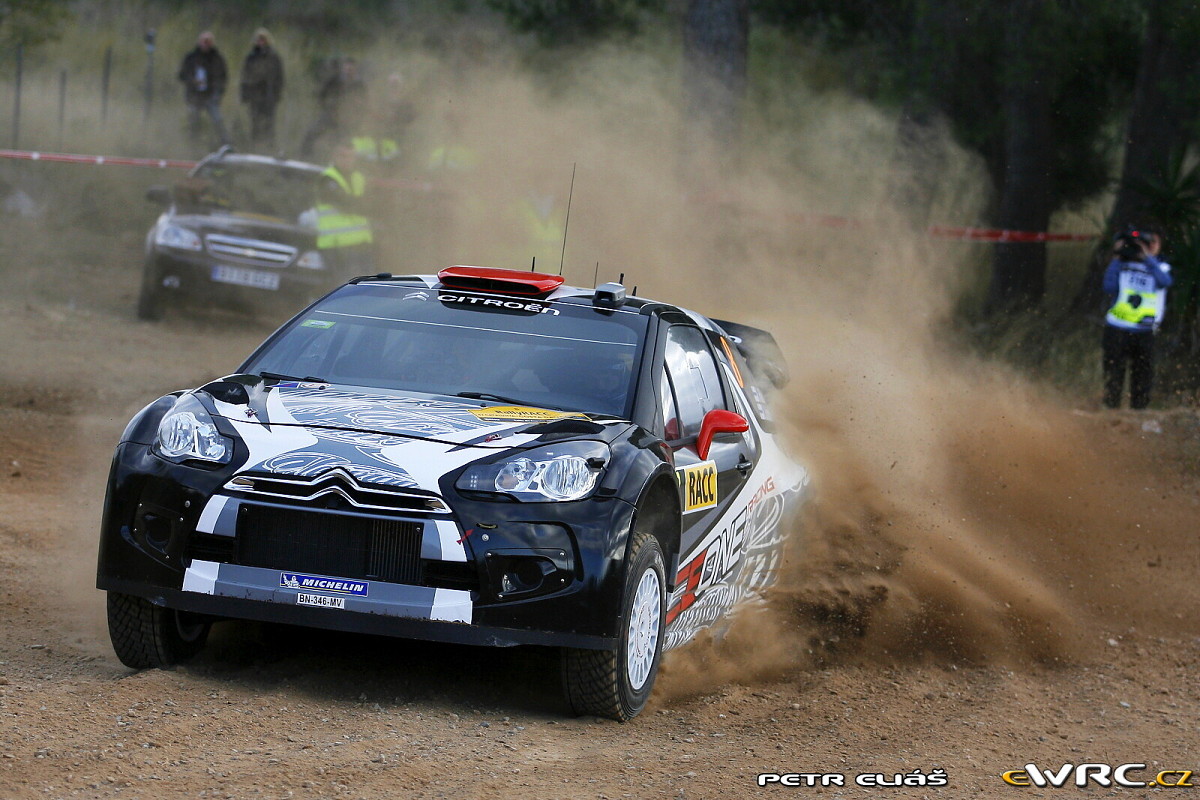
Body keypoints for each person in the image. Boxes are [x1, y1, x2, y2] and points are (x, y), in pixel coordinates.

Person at [1101, 225, 1173, 409]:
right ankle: (1111, 409)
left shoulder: (1162, 266)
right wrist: (1117, 255)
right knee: (1114, 373)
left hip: (1145, 330)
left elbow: (1165, 282)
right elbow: (1108, 286)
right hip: (1117, 327)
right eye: (1144, 242)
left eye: (1152, 242)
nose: (1148, 246)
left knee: (1142, 376)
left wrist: (1147, 259)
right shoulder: (1123, 264)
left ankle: (1138, 412)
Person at [313, 141, 375, 280]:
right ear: (334, 156)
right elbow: (345, 203)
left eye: (350, 156)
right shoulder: (327, 178)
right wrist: (365, 205)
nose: (347, 160)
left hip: (360, 244)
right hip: (336, 246)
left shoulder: (359, 177)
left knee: (366, 285)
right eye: (342, 156)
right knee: (343, 286)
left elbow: (372, 203)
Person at [300, 57, 367, 160]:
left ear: (355, 69)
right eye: (347, 67)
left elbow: (364, 103)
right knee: (312, 133)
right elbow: (321, 94)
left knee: (342, 142)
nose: (348, 70)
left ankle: (338, 161)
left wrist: (356, 115)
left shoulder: (360, 85)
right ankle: (304, 157)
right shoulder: (335, 79)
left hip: (346, 119)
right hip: (331, 113)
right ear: (344, 68)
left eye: (351, 68)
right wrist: (325, 106)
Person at [178, 31, 230, 147]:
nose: (206, 44)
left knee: (217, 120)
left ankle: (226, 144)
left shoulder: (217, 58)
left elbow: (223, 77)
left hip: (210, 96)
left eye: (208, 42)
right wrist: (192, 81)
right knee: (193, 121)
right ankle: (193, 145)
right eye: (204, 42)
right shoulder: (191, 58)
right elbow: (182, 75)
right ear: (199, 42)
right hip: (194, 96)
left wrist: (218, 94)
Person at [239, 28, 284, 151]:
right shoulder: (251, 57)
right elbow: (245, 77)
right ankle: (255, 148)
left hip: (269, 96)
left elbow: (279, 77)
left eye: (263, 39)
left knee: (269, 125)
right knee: (255, 124)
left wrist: (277, 94)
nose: (260, 42)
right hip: (254, 96)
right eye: (258, 39)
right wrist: (244, 95)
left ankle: (270, 149)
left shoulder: (274, 57)